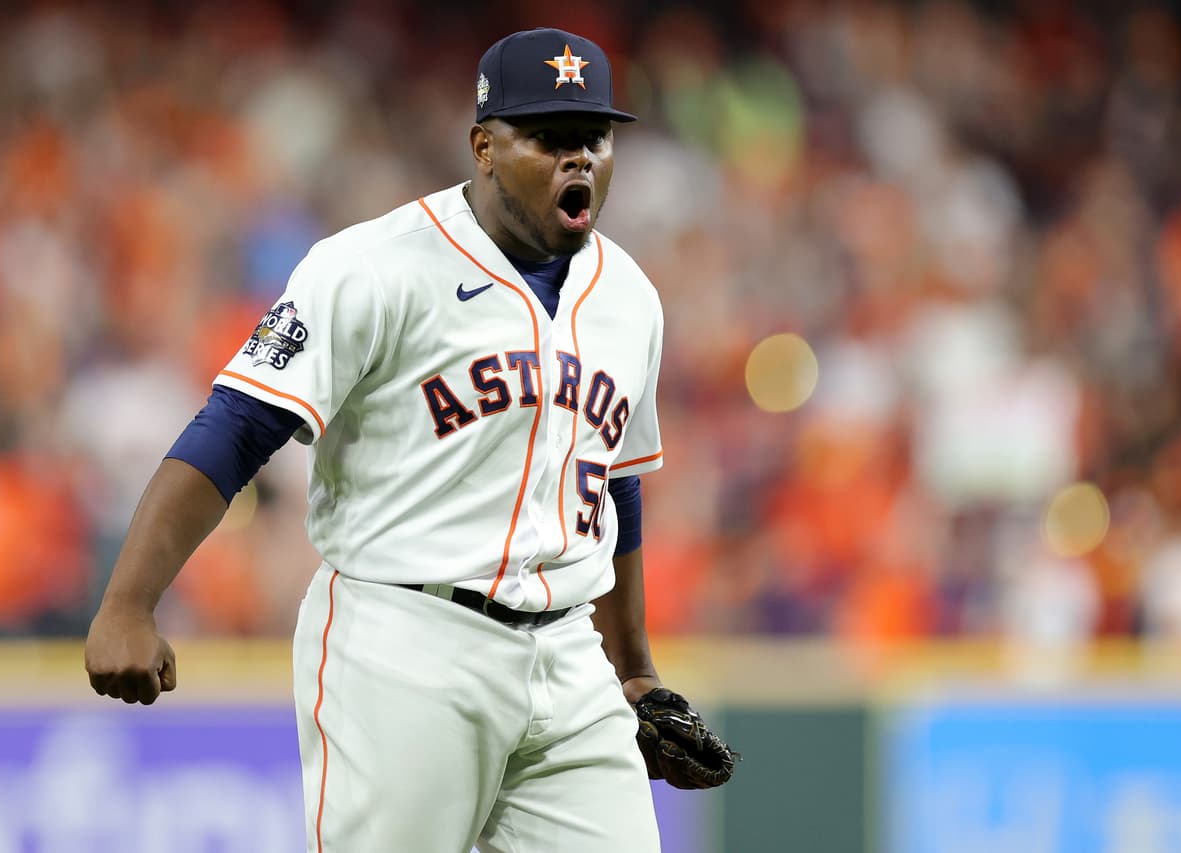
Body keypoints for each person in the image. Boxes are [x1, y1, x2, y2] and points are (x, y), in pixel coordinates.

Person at [85, 27, 730, 852]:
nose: (579, 162)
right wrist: (128, 601)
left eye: (593, 140)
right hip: (405, 641)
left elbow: (613, 483)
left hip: (569, 657)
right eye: (548, 140)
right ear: (484, 147)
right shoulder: (373, 266)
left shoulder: (630, 296)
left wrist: (633, 664)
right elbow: (237, 425)